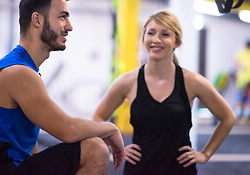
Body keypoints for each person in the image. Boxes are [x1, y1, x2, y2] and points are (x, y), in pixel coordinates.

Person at [0, 0, 125, 175]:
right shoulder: (18, 72)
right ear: (37, 19)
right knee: (94, 149)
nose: (69, 26)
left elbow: (30, 146)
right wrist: (110, 128)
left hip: (16, 168)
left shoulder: (26, 69)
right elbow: (68, 129)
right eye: (62, 17)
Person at [93, 10, 235, 175]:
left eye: (165, 34)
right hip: (139, 170)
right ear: (144, 38)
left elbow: (228, 118)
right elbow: (98, 118)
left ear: (176, 42)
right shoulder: (127, 82)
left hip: (180, 170)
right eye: (151, 33)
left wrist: (206, 154)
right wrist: (116, 148)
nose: (156, 39)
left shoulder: (193, 82)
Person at [234, 39, 250, 119]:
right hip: (242, 79)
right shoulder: (241, 52)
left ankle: (247, 113)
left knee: (249, 96)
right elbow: (236, 63)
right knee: (240, 95)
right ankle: (238, 112)